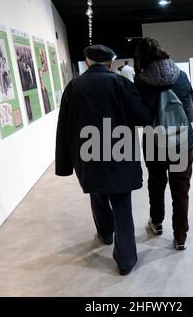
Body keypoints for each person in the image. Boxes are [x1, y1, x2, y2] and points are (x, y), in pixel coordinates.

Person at [55, 45, 153, 276]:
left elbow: (63, 129)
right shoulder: (122, 84)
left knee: (97, 194)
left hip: (87, 156)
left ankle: (105, 233)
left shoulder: (73, 87)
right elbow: (142, 117)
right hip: (119, 154)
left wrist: (64, 164)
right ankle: (126, 259)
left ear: (87, 62)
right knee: (122, 205)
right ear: (111, 63)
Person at [134, 37, 193, 251]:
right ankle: (180, 237)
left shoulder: (141, 81)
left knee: (156, 182)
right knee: (181, 189)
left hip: (155, 142)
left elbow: (141, 116)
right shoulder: (181, 76)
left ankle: (157, 222)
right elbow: (190, 110)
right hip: (182, 140)